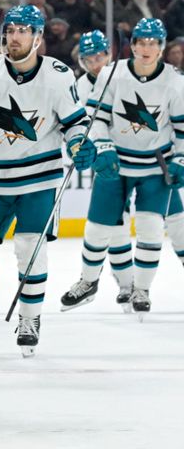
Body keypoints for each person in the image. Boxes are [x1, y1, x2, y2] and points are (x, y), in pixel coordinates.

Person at [0, 5, 95, 357]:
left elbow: (75, 123)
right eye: (10, 30)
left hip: (39, 179)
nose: (13, 37)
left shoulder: (59, 76)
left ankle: (30, 318)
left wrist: (78, 141)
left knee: (31, 249)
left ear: (38, 38)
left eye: (22, 31)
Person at [62, 18, 184, 318]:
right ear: (131, 46)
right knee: (99, 227)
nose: (147, 48)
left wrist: (180, 159)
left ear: (162, 46)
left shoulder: (176, 81)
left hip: (156, 166)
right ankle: (91, 281)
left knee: (154, 227)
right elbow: (94, 119)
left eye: (153, 42)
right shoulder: (111, 75)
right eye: (141, 42)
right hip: (115, 163)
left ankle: (141, 289)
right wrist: (100, 146)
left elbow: (181, 130)